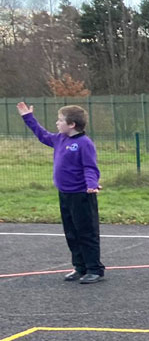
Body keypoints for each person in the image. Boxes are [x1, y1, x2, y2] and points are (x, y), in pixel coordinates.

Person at [17, 102, 106, 284]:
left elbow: (90, 167)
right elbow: (42, 134)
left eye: (60, 120)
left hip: (82, 195)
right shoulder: (60, 139)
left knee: (86, 233)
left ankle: (94, 269)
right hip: (65, 194)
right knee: (71, 233)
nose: (57, 123)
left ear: (72, 124)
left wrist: (92, 184)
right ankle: (80, 267)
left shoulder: (84, 143)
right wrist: (28, 117)